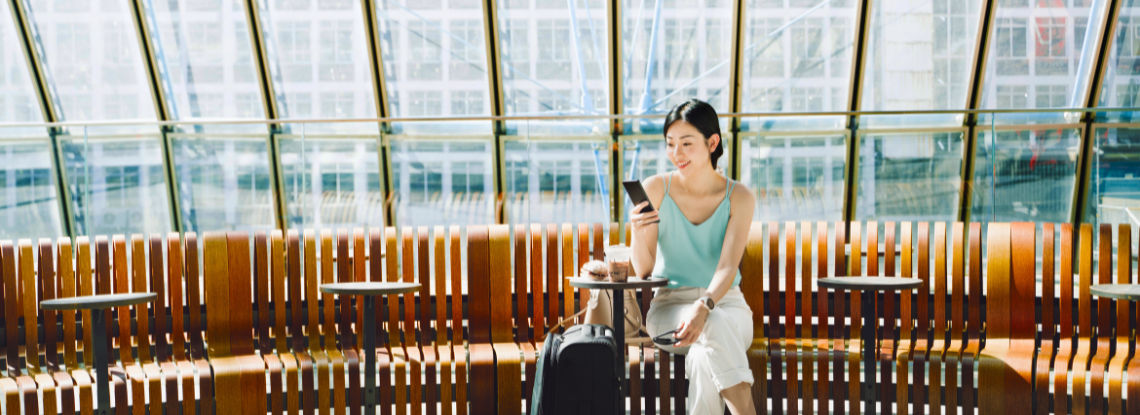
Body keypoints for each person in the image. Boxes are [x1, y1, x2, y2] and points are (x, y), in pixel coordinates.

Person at [629, 99, 757, 415]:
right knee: (712, 328)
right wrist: (636, 229)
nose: (677, 154)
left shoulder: (739, 196)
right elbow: (643, 269)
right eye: (671, 144)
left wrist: (705, 305)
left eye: (687, 144)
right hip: (669, 310)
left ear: (712, 143)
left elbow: (728, 266)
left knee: (704, 355)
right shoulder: (656, 187)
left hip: (727, 305)